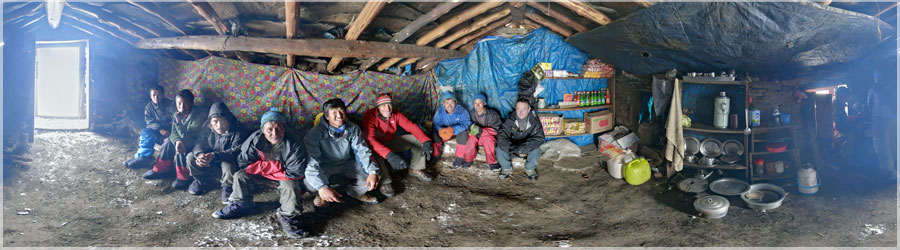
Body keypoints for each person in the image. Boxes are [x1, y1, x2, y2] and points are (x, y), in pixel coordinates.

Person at [210, 108, 309, 238]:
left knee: (291, 186)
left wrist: (264, 168)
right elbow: (244, 163)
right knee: (240, 175)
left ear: (284, 128)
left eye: (279, 128)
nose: (274, 133)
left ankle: (288, 216)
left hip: (284, 177)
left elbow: (295, 172)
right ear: (262, 130)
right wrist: (275, 166)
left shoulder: (294, 143)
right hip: (273, 173)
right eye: (269, 129)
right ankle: (241, 204)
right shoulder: (254, 140)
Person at [304, 98, 380, 207]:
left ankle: (354, 192)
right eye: (334, 113)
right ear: (327, 116)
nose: (339, 116)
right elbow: (312, 163)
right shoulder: (314, 134)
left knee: (374, 175)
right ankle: (322, 195)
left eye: (341, 112)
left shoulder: (353, 128)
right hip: (326, 165)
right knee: (309, 183)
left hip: (347, 163)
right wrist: (321, 187)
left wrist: (372, 172)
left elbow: (362, 151)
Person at [362, 93, 434, 197]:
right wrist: (389, 155)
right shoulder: (370, 116)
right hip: (375, 145)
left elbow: (410, 126)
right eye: (383, 105)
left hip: (390, 141)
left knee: (417, 140)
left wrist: (426, 141)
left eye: (389, 105)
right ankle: (385, 182)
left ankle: (416, 168)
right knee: (374, 154)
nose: (387, 108)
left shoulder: (396, 113)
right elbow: (370, 140)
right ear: (378, 107)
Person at [143, 89, 208, 191]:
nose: (181, 107)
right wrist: (177, 141)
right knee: (169, 142)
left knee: (181, 147)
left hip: (196, 143)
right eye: (179, 103)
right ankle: (161, 168)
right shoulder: (177, 114)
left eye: (185, 103)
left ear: (191, 103)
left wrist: (178, 126)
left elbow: (188, 137)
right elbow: (173, 132)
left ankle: (183, 177)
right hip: (183, 140)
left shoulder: (198, 116)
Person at [186, 102, 250, 199]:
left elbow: (236, 151)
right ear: (210, 122)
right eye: (215, 121)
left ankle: (228, 187)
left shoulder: (239, 130)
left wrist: (215, 156)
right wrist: (200, 155)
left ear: (228, 120)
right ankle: (201, 180)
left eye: (223, 121)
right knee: (191, 157)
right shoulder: (206, 128)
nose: (219, 125)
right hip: (211, 160)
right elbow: (200, 144)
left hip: (228, 161)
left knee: (227, 165)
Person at [124, 85, 175, 168]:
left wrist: (168, 130)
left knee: (167, 142)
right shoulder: (149, 107)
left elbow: (176, 120)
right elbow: (149, 121)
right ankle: (142, 157)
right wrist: (159, 129)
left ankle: (154, 162)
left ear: (163, 94)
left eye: (159, 94)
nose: (156, 97)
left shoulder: (171, 105)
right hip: (158, 130)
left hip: (169, 131)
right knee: (146, 133)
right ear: (150, 96)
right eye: (153, 95)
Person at [496, 98, 545, 181]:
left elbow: (539, 138)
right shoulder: (510, 119)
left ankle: (530, 169)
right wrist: (510, 148)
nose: (521, 112)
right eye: (518, 109)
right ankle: (506, 168)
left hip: (526, 145)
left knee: (536, 150)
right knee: (499, 148)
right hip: (513, 144)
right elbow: (502, 136)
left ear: (529, 109)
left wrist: (520, 149)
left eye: (524, 109)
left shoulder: (534, 121)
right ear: (516, 109)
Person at [453, 93, 502, 171]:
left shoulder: (492, 114)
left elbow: (497, 129)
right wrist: (471, 129)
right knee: (471, 139)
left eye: (479, 102)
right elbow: (468, 124)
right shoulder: (471, 114)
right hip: (476, 136)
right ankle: (468, 160)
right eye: (475, 103)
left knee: (488, 139)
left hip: (486, 136)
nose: (477, 105)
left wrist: (481, 130)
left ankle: (492, 162)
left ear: (484, 103)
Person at [431, 92, 471, 160]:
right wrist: (441, 130)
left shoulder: (461, 110)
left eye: (452, 103)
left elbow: (467, 122)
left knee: (464, 134)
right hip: (445, 133)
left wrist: (453, 130)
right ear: (443, 104)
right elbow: (436, 123)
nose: (450, 105)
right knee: (434, 133)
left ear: (455, 103)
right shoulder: (440, 111)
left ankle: (459, 157)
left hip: (456, 132)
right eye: (447, 103)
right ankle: (436, 155)